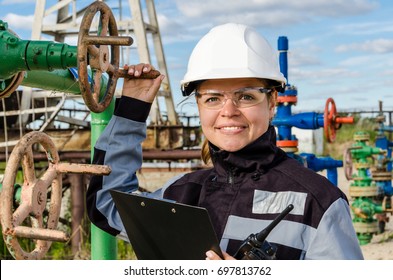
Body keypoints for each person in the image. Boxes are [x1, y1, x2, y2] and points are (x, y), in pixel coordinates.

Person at [86, 23, 364, 260]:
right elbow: (106, 205)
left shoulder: (319, 203)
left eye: (246, 96)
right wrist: (133, 109)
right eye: (213, 98)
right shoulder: (181, 195)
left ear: (272, 104)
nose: (228, 111)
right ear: (199, 107)